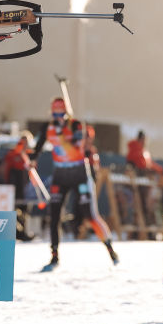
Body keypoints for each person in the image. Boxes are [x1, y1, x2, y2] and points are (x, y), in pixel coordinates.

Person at [31, 97, 119, 269]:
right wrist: (32, 158)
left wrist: (62, 133)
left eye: (60, 113)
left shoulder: (76, 125)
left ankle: (110, 248)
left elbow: (77, 146)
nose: (57, 117)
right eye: (55, 113)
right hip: (60, 174)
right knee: (54, 213)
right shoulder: (48, 127)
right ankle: (54, 256)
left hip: (79, 172)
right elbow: (38, 147)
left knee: (89, 214)